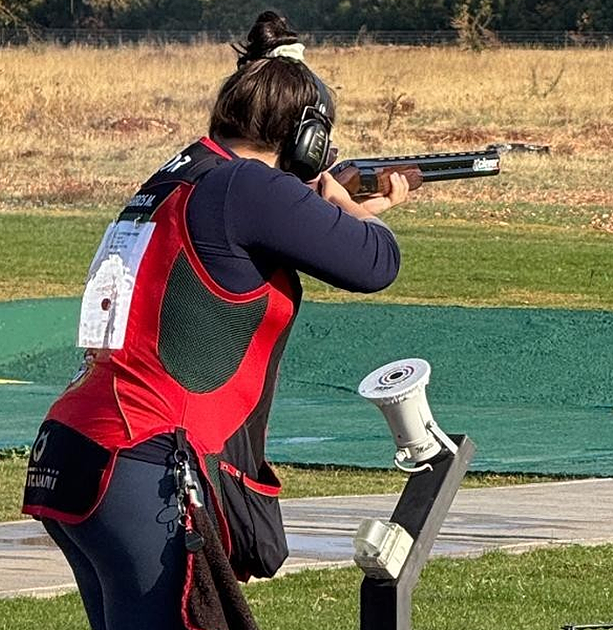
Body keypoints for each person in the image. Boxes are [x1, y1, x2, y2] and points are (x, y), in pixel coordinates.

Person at [21, 12, 409, 630]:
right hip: (144, 460)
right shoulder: (245, 187)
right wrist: (344, 205)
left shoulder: (180, 175)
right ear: (306, 141)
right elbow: (375, 263)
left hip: (81, 448)